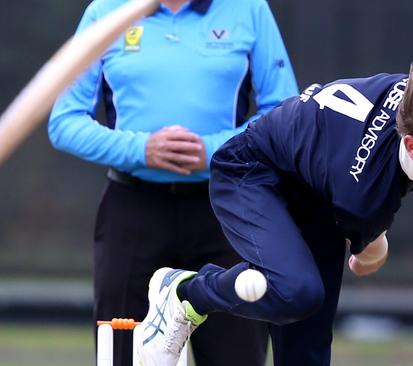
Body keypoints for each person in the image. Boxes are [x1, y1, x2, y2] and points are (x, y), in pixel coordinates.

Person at [136, 12, 413, 366]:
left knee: (307, 352)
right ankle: (183, 293)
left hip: (317, 191)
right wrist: (372, 250)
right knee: (296, 293)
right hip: (252, 172)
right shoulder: (365, 195)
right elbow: (369, 245)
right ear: (412, 145)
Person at [48, 0, 298, 365]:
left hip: (226, 211)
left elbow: (286, 112)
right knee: (123, 356)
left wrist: (216, 150)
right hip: (132, 213)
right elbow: (64, 122)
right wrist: (142, 149)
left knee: (238, 355)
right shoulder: (105, 11)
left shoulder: (248, 9)